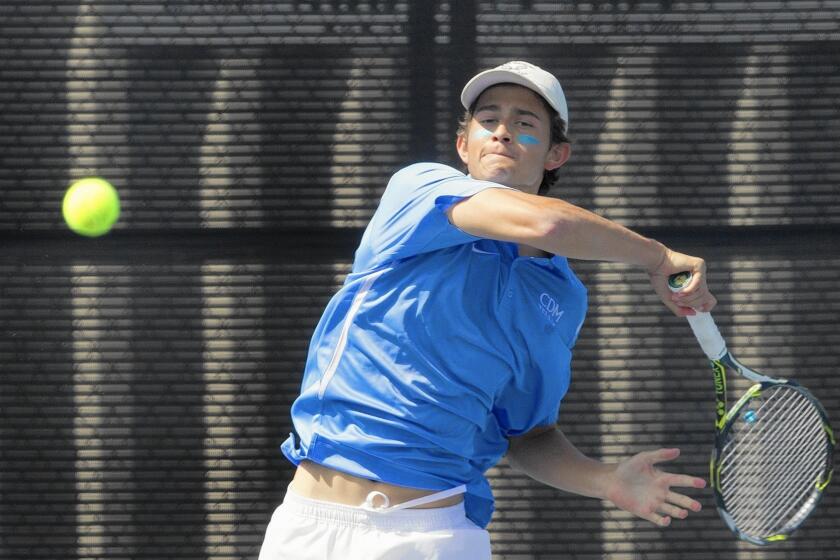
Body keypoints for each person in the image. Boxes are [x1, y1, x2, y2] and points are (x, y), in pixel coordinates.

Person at [258, 60, 717, 560]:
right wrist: (657, 256)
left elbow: (528, 432)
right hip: (312, 524)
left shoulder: (562, 298)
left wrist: (604, 480)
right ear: (464, 146)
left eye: (524, 124)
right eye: (487, 119)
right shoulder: (417, 190)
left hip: (438, 534)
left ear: (555, 154)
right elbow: (546, 226)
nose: (502, 132)